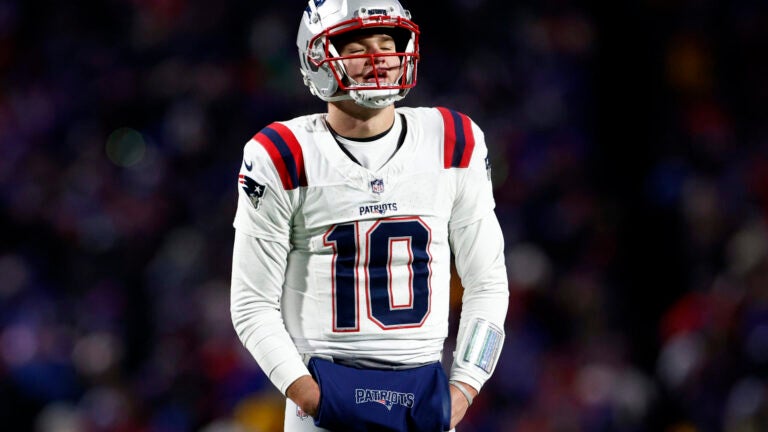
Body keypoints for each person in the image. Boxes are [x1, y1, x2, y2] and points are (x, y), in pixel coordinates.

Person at [230, 0, 509, 430]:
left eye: (387, 43)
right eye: (358, 47)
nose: (378, 58)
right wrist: (312, 396)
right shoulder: (281, 154)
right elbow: (251, 305)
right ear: (318, 57)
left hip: (424, 392)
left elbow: (487, 282)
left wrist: (465, 388)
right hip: (324, 394)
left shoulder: (454, 139)